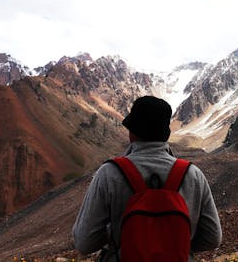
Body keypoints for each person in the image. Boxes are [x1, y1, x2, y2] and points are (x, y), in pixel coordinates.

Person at [72, 96, 222, 261]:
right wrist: (174, 245)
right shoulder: (193, 175)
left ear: (132, 133)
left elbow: (84, 243)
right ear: (166, 134)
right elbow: (213, 238)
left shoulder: (109, 174)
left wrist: (115, 235)